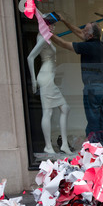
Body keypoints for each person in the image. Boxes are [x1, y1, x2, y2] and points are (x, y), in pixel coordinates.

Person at [50, 15, 103, 146]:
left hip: (93, 88)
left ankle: (94, 148)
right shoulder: (100, 45)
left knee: (93, 121)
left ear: (90, 36)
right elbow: (78, 32)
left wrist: (47, 34)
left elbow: (63, 44)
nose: (82, 32)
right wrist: (64, 19)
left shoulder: (87, 47)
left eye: (85, 30)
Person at [27, 14, 72, 154]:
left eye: (53, 24)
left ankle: (63, 144)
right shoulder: (42, 38)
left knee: (63, 108)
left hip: (48, 77)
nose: (53, 26)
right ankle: (48, 146)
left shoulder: (46, 37)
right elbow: (30, 57)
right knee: (49, 111)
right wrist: (33, 80)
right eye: (51, 24)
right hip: (45, 78)